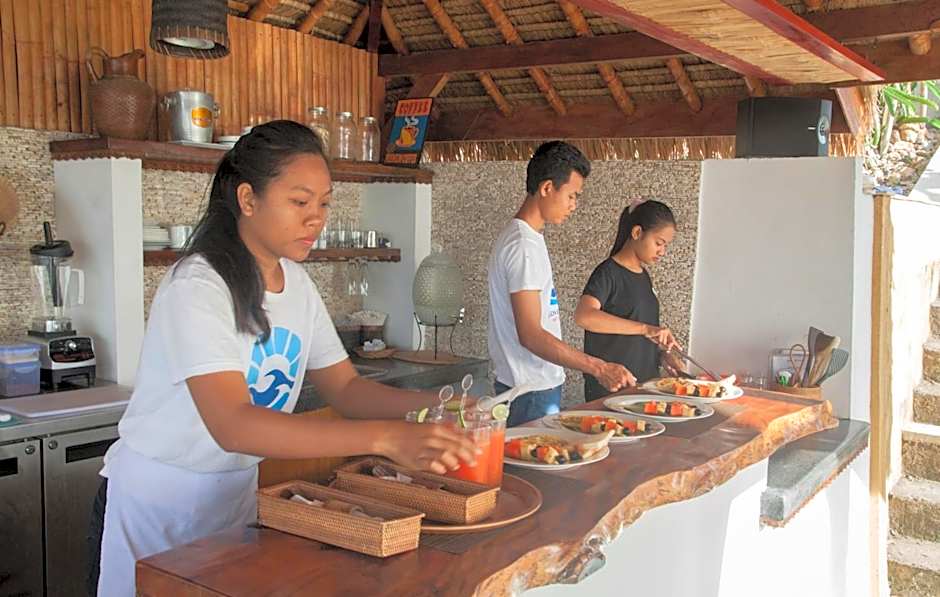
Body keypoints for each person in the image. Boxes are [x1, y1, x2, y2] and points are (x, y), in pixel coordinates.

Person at [94, 121, 476, 596]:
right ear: (248, 199)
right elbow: (232, 424)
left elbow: (347, 389)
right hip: (161, 504)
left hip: (231, 496)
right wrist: (384, 437)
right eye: (299, 202)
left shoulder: (296, 285)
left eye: (323, 203)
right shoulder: (199, 285)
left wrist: (429, 408)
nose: (315, 218)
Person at [487, 141, 635, 427]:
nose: (574, 206)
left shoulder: (527, 239)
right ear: (546, 188)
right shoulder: (522, 246)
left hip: (532, 389)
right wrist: (598, 367)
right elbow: (529, 334)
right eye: (571, 196)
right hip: (529, 393)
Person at [575, 199, 685, 402]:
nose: (662, 251)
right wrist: (646, 328)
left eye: (665, 245)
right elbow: (584, 316)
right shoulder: (608, 273)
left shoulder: (644, 276)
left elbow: (637, 336)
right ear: (636, 233)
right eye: (659, 243)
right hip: (611, 392)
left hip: (644, 391)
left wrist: (663, 356)